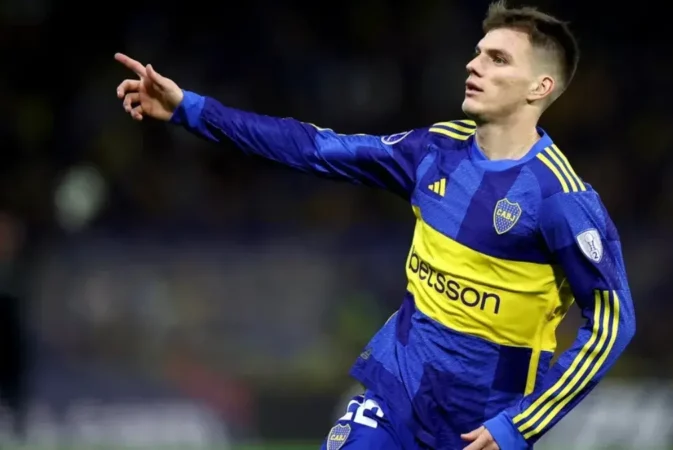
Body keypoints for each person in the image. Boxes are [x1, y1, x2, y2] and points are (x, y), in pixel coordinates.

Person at [114, 1, 635, 448]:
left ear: (540, 86)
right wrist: (190, 109)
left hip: (481, 425)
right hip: (397, 393)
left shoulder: (561, 198)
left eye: (497, 59)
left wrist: (520, 425)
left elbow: (612, 324)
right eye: (478, 52)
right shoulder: (434, 149)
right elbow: (314, 147)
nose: (474, 65)